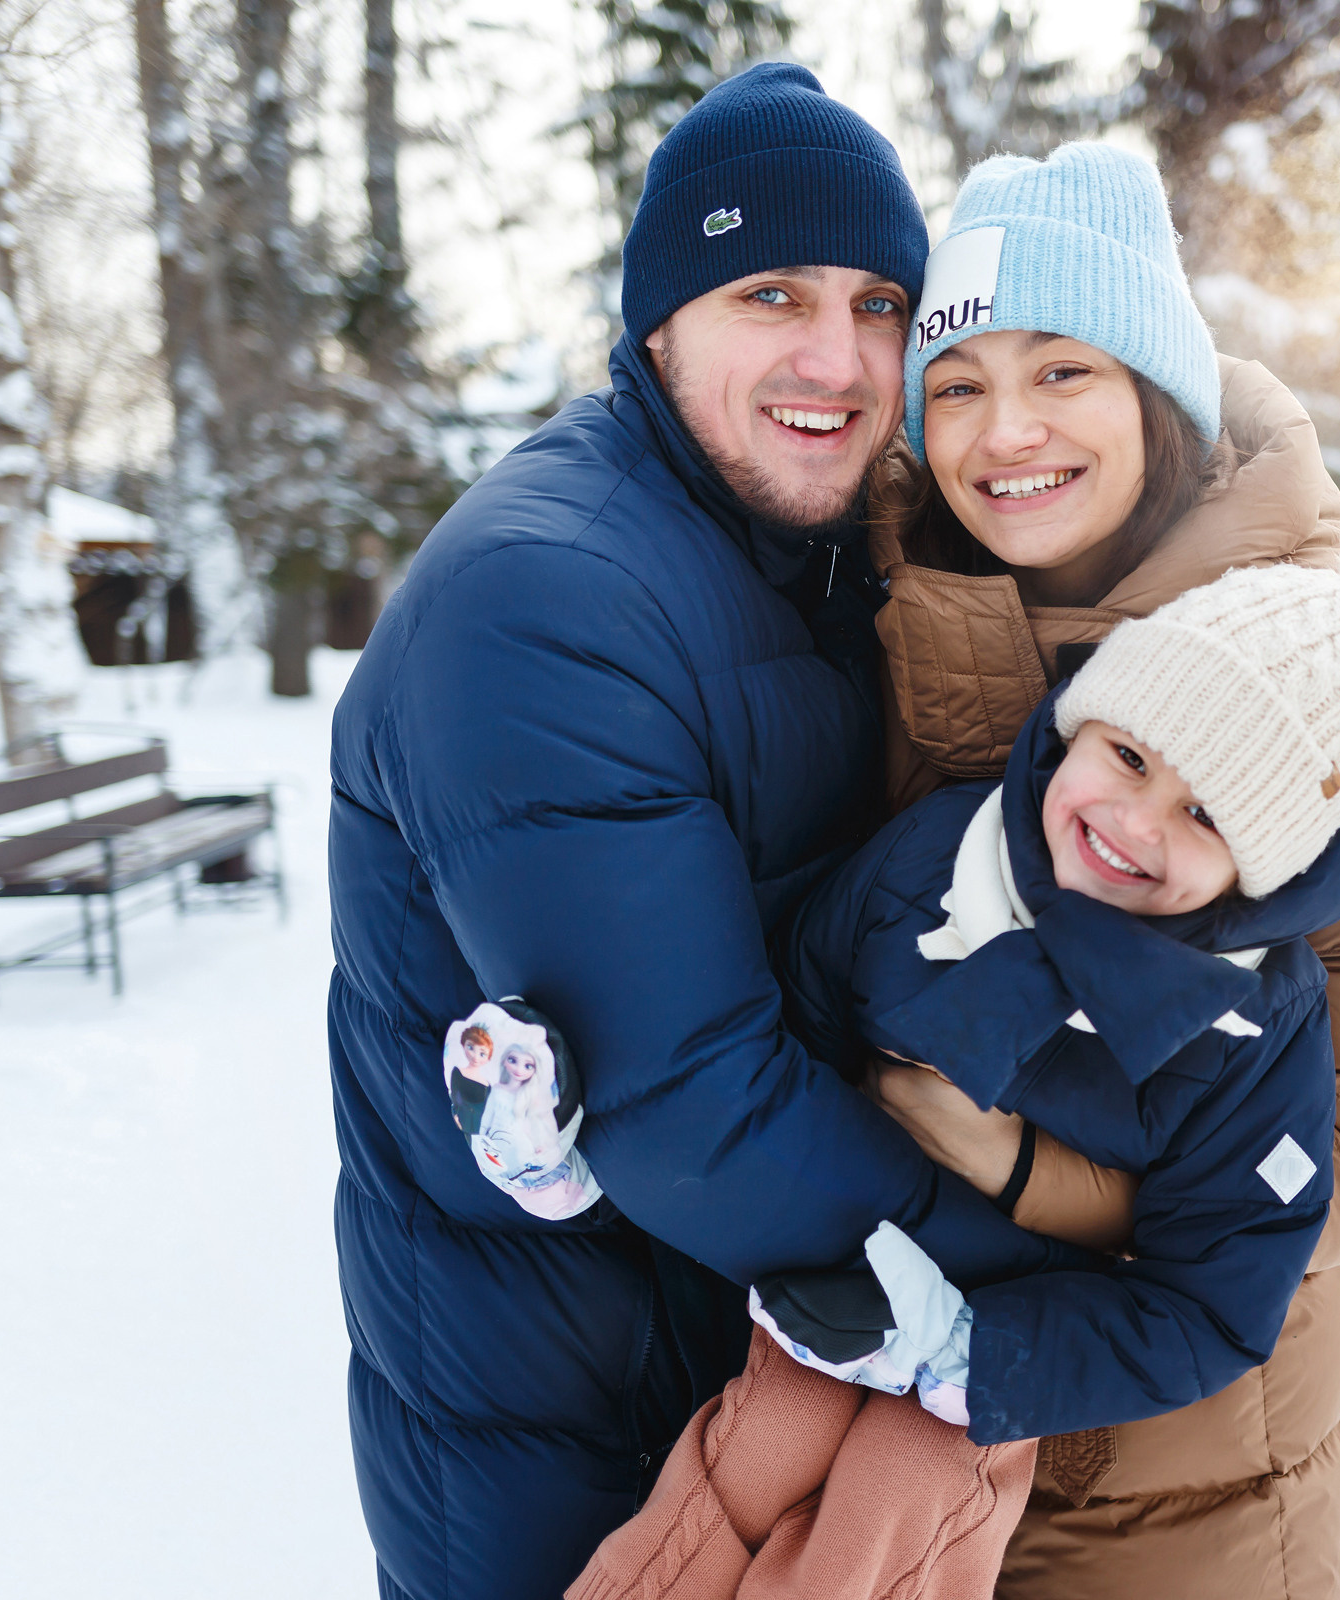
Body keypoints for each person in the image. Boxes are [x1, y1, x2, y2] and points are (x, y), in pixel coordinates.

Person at [327, 65, 1079, 1600]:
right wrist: (1078, 1274)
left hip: (753, 1401)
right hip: (568, 1451)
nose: (837, 357)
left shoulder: (812, 556)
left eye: (880, 304)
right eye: (770, 294)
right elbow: (690, 1104)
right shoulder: (543, 597)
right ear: (659, 319)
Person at [567, 527, 1340, 1600]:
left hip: (1000, 1348)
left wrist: (972, 1350)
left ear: (1267, 864)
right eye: (1129, 757)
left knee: (899, 1497)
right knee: (760, 1441)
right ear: (1079, 724)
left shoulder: (1255, 1029)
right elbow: (788, 1017)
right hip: (838, 1268)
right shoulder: (935, 858)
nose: (1133, 822)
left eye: (1207, 814)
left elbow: (1215, 1302)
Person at [860, 141, 1340, 1598]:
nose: (1006, 430)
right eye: (958, 385)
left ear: (1157, 390)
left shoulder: (1320, 687)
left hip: (1190, 1480)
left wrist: (1022, 1170)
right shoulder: (877, 618)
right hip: (884, 1436)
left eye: (1064, 370)